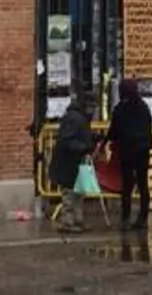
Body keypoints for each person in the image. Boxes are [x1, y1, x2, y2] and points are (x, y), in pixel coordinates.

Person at [108, 79, 152, 231]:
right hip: (142, 150)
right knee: (143, 185)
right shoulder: (143, 107)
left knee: (127, 186)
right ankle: (143, 218)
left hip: (127, 151)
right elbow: (149, 126)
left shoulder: (121, 109)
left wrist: (108, 140)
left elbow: (114, 131)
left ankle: (126, 217)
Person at [50, 93, 98, 234]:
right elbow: (67, 140)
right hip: (69, 162)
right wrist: (84, 146)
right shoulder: (74, 118)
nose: (93, 110)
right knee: (70, 193)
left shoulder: (80, 117)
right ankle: (68, 221)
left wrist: (91, 139)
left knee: (77, 192)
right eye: (91, 106)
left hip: (75, 162)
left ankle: (77, 220)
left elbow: (77, 136)